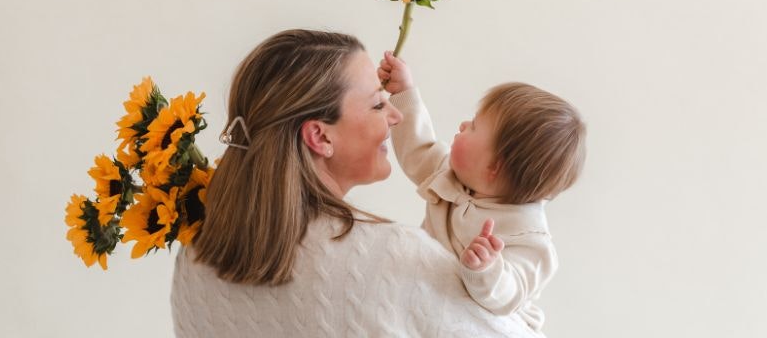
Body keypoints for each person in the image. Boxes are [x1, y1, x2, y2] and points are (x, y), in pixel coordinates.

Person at [170, 29, 543, 337]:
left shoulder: (197, 251)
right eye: (378, 105)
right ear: (320, 137)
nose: (396, 116)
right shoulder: (392, 259)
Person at [377, 51, 587, 333]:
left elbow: (511, 293)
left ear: (494, 167)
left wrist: (487, 269)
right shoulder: (451, 176)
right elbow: (418, 146)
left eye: (474, 126)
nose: (463, 125)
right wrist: (404, 92)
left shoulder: (528, 237)